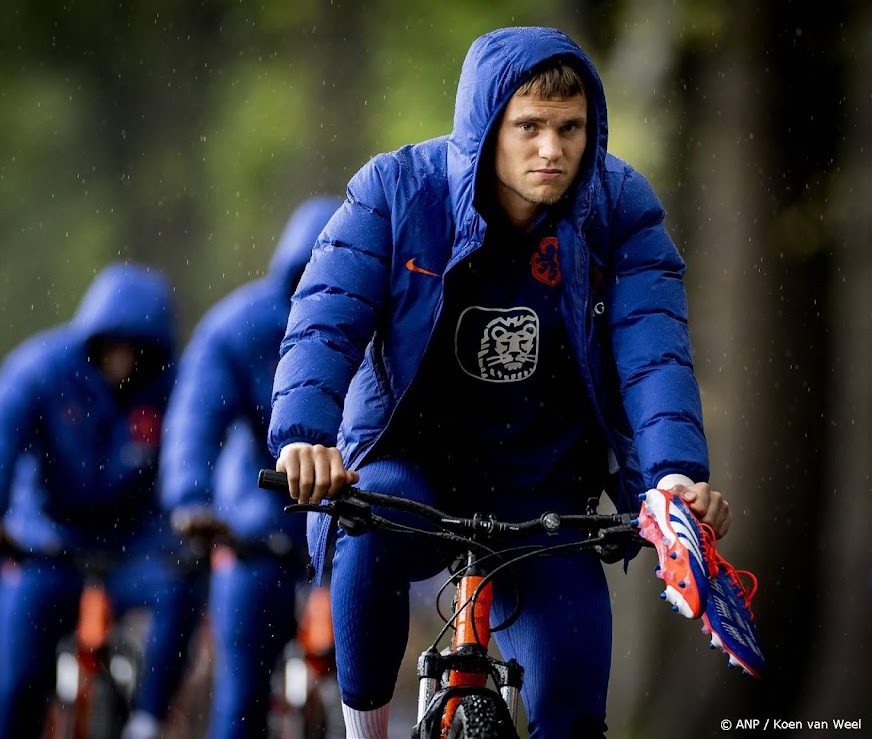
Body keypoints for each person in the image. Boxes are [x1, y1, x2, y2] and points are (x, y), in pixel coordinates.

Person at [267, 27, 733, 739]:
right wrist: (305, 437)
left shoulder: (620, 209)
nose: (553, 149)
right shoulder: (394, 191)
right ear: (486, 126)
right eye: (530, 127)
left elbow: (654, 355)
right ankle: (363, 730)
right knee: (365, 531)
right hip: (409, 467)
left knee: (574, 707)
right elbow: (325, 321)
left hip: (546, 492)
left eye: (571, 128)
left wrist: (672, 476)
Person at [0, 262, 204, 739]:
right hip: (48, 542)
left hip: (134, 546)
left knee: (179, 595)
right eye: (110, 346)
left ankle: (147, 722)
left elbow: (195, 447)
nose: (121, 360)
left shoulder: (173, 385)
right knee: (18, 678)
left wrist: (196, 510)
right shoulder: (40, 370)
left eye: (134, 349)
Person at [160, 196, 341, 739]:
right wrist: (192, 499)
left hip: (349, 522)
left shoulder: (388, 323)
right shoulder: (239, 328)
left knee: (362, 687)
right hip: (257, 524)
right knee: (242, 697)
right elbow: (195, 420)